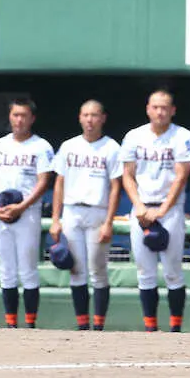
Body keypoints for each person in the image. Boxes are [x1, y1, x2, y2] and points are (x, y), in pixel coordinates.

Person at [120, 89, 190, 332]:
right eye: (155, 107)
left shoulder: (182, 136)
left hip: (170, 211)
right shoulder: (134, 136)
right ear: (148, 109)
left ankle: (175, 329)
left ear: (173, 110)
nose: (160, 111)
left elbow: (181, 176)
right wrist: (139, 206)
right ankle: (150, 328)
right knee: (145, 273)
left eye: (165, 107)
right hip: (142, 210)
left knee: (173, 272)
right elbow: (127, 175)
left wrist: (163, 209)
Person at [49, 100, 122, 331]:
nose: (90, 120)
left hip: (98, 211)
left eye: (94, 115)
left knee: (98, 270)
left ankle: (98, 327)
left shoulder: (111, 147)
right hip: (72, 210)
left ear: (103, 118)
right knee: (76, 270)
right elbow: (59, 182)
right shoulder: (69, 146)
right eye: (85, 115)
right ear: (80, 117)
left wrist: (109, 221)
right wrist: (55, 219)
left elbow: (116, 187)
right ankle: (82, 325)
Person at [0, 98, 54, 329]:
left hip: (27, 212)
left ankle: (30, 323)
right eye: (15, 115)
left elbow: (43, 182)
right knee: (6, 270)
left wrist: (22, 206)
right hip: (0, 212)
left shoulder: (41, 146)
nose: (19, 119)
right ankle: (10, 323)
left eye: (24, 115)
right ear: (9, 117)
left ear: (32, 118)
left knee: (28, 269)